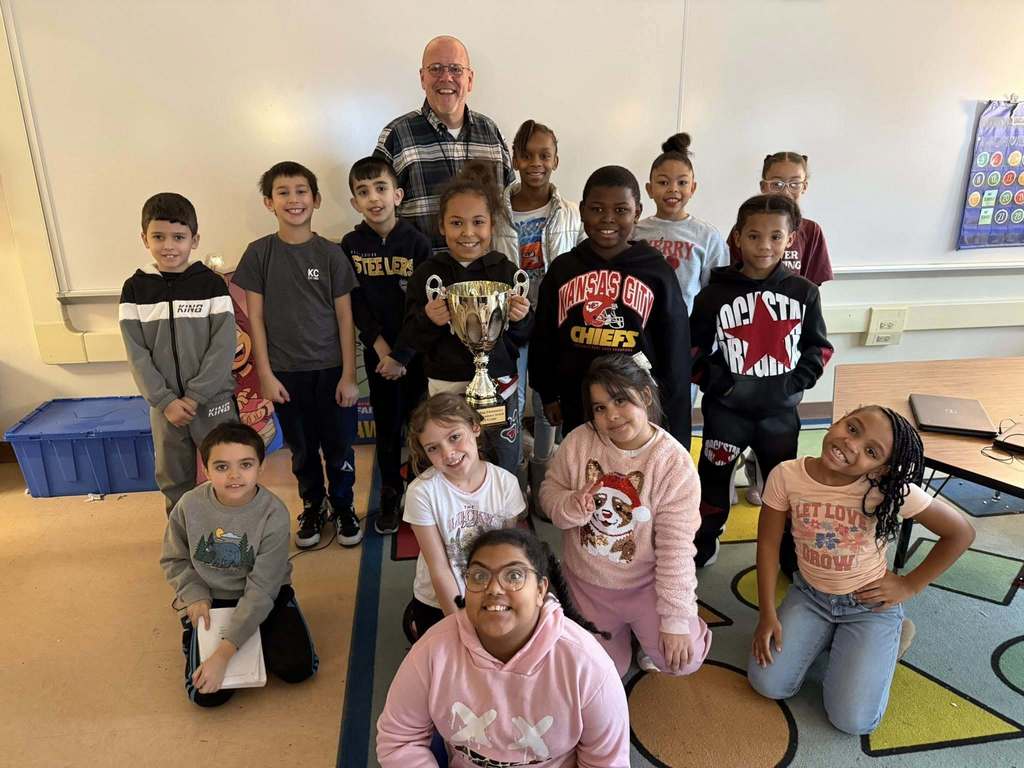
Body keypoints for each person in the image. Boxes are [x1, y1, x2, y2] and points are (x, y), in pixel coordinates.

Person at [748, 406, 975, 735]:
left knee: (853, 721)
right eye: (852, 429)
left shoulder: (888, 489)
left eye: (871, 451)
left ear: (883, 468)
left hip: (869, 606)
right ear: (837, 420)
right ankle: (830, 636)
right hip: (811, 596)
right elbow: (768, 544)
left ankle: (894, 635)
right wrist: (767, 614)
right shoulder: (786, 475)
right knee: (767, 683)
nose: (852, 445)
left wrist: (911, 585)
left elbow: (961, 532)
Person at [376, 528, 631, 767]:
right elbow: (399, 739)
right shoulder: (432, 651)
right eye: (479, 576)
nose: (494, 588)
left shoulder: (588, 667)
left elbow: (606, 761)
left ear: (541, 590)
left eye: (514, 576)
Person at [540, 355, 710, 677]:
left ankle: (670, 625)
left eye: (620, 400)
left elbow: (676, 548)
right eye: (600, 407)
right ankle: (624, 635)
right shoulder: (578, 442)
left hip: (646, 584)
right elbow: (549, 493)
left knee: (682, 661)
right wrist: (569, 505)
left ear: (645, 396)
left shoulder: (673, 464)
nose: (611, 416)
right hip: (586, 583)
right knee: (604, 672)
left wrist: (675, 619)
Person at [690, 194, 833, 570]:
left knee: (781, 486)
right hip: (726, 414)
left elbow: (819, 349)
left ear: (790, 239)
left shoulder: (805, 293)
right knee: (714, 479)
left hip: (778, 417)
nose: (764, 245)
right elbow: (692, 351)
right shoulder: (712, 297)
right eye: (754, 236)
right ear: (737, 237)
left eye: (774, 236)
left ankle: (787, 548)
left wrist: (792, 386)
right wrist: (720, 384)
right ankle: (705, 538)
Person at [232, 161, 362, 549]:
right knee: (303, 449)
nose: (294, 199)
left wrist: (349, 375)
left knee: (338, 445)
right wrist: (265, 376)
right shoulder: (259, 254)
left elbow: (345, 317)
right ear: (268, 202)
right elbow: (255, 318)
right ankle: (312, 505)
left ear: (316, 199)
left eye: (301, 191)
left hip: (331, 371)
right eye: (283, 192)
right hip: (286, 374)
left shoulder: (331, 255)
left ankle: (343, 506)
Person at [529, 166, 692, 449]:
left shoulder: (656, 271)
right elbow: (544, 335)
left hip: (638, 405)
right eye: (597, 209)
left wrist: (671, 414)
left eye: (620, 210)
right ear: (581, 210)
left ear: (637, 212)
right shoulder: (563, 269)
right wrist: (547, 393)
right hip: (577, 399)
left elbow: (674, 347)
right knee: (586, 470)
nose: (607, 219)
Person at [161, 422, 318, 707]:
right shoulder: (188, 505)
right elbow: (175, 558)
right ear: (206, 470)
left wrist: (223, 653)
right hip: (213, 595)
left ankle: (259, 633)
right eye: (221, 467)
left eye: (245, 464)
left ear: (260, 467)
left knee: (300, 670)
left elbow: (263, 587)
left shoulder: (273, 513)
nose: (234, 475)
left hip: (266, 593)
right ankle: (196, 634)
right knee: (206, 697)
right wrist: (194, 595)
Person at [402, 162, 533, 475]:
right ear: (442, 226)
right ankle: (455, 519)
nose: (468, 233)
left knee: (502, 458)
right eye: (457, 223)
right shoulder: (427, 275)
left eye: (478, 222)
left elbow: (523, 336)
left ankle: (506, 518)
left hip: (499, 384)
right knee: (452, 463)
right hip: (446, 386)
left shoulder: (506, 271)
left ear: (492, 224)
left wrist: (522, 317)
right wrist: (428, 319)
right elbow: (410, 336)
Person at [119, 192, 237, 514]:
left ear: (194, 240)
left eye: (179, 237)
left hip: (213, 402)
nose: (169, 245)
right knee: (173, 479)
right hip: (165, 407)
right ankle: (183, 539)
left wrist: (197, 395)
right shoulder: (135, 289)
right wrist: (166, 401)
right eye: (158, 236)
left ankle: (230, 537)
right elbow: (137, 353)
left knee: (227, 472)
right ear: (144, 238)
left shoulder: (212, 285)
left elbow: (223, 346)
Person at [731, 151, 833, 506]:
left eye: (794, 183)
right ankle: (735, 470)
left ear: (805, 185)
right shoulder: (749, 226)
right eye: (777, 183)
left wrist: (798, 375)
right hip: (746, 332)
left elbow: (814, 286)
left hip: (788, 339)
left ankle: (764, 476)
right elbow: (734, 279)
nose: (785, 190)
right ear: (763, 184)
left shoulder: (812, 232)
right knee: (736, 418)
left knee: (777, 426)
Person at [492, 119, 583, 514]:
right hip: (510, 324)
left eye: (544, 155)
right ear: (514, 158)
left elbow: (581, 265)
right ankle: (513, 481)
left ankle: (544, 472)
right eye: (526, 155)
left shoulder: (570, 213)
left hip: (553, 324)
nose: (535, 163)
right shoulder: (495, 208)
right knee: (509, 398)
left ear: (556, 160)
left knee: (549, 397)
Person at [342, 156, 432, 534]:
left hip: (416, 356)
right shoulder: (350, 245)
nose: (373, 198)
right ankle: (391, 491)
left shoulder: (418, 243)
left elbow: (426, 307)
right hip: (379, 358)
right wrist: (380, 348)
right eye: (363, 192)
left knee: (421, 424)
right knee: (387, 425)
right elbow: (356, 304)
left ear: (397, 194)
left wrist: (402, 355)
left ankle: (421, 488)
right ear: (354, 203)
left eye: (380, 188)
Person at [402, 394, 525, 640]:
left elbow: (508, 554)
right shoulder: (421, 492)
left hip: (490, 593)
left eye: (455, 437)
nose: (448, 454)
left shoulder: (506, 484)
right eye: (433, 448)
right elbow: (439, 569)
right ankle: (415, 621)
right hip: (438, 601)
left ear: (475, 428)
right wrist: (460, 627)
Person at [374, 35, 514, 252]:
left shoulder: (491, 134)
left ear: (470, 79)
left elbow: (509, 209)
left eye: (456, 69)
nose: (446, 77)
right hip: (422, 280)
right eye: (436, 68)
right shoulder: (397, 136)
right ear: (422, 78)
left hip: (487, 280)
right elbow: (377, 211)